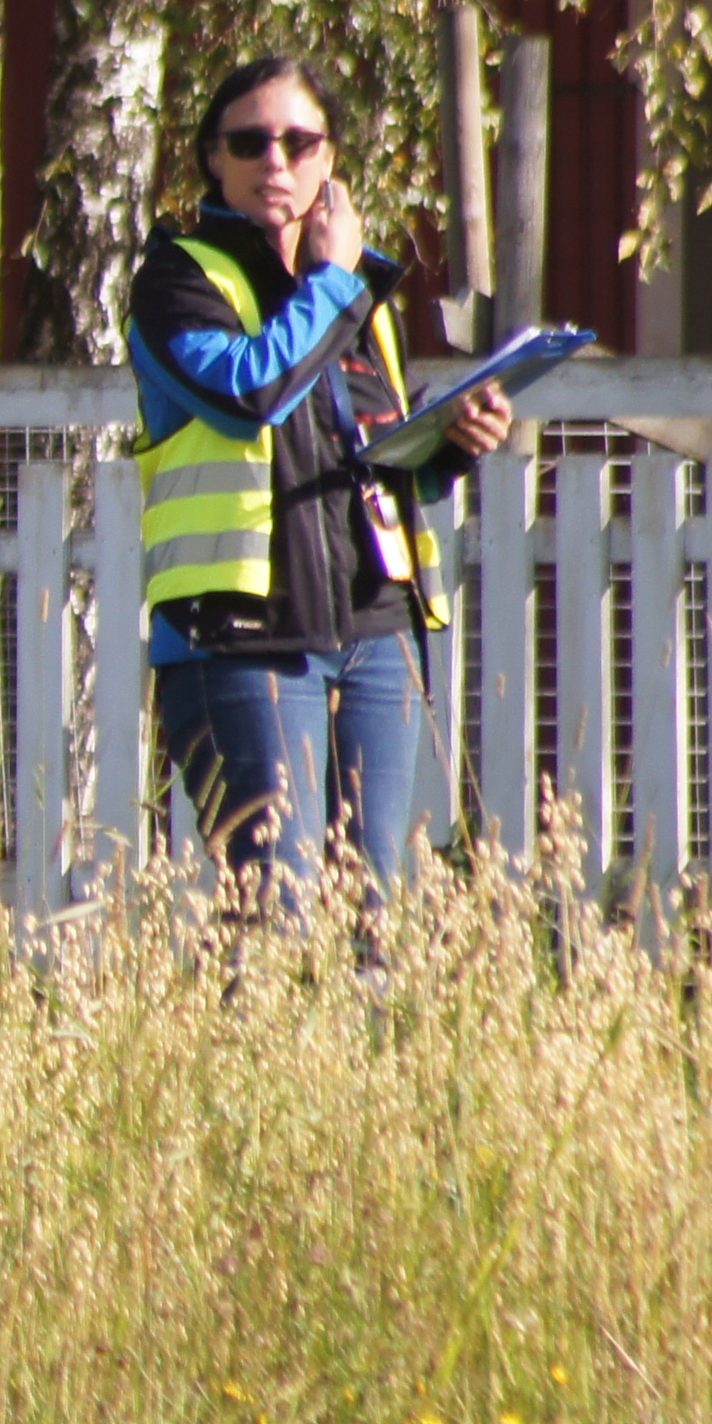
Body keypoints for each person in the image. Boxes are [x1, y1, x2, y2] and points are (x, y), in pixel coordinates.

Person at [125, 53, 510, 909]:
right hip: (240, 640)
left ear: (329, 158)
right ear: (212, 158)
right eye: (250, 143)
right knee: (278, 911)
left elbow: (376, 464)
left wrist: (451, 446)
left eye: (300, 143)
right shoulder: (179, 280)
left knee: (375, 916)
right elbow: (250, 396)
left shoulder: (361, 301)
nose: (276, 161)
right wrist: (333, 280)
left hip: (377, 634)